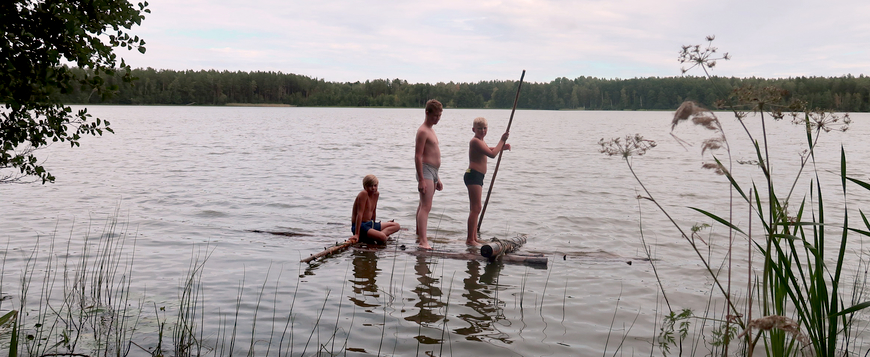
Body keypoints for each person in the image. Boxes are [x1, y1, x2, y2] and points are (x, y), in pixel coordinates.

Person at [464, 117, 509, 247]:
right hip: (473, 175)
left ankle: (474, 238)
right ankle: (470, 239)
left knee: (476, 208)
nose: (482, 131)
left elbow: (489, 149)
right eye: (479, 129)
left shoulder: (481, 141)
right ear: (474, 130)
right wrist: (502, 140)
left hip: (478, 176)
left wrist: (502, 147)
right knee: (475, 208)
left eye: (484, 128)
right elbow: (492, 154)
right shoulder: (475, 141)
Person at [415, 99, 443, 249]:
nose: (437, 118)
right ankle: (423, 241)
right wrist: (421, 179)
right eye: (435, 116)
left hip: (433, 171)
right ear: (427, 113)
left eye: (439, 116)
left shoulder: (431, 130)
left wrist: (437, 177)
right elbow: (418, 156)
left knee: (422, 205)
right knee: (426, 206)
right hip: (425, 170)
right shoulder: (423, 131)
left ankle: (419, 234)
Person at [351, 174, 400, 244]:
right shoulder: (363, 194)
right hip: (361, 226)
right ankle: (378, 236)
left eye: (375, 185)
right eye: (370, 186)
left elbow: (373, 211)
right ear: (365, 186)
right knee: (383, 237)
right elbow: (359, 214)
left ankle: (376, 235)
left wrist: (374, 224)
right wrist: (356, 234)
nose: (373, 188)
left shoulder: (376, 194)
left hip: (370, 224)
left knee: (396, 225)